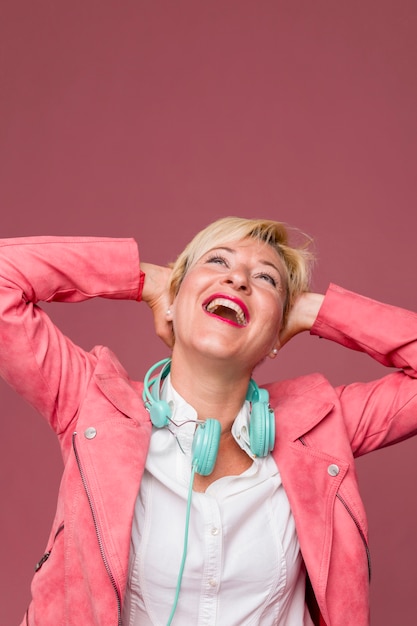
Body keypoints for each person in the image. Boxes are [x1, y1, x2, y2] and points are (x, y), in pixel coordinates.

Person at [1, 216, 416, 626]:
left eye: (267, 279)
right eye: (217, 262)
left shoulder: (322, 427)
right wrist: (142, 280)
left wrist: (320, 310)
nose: (238, 280)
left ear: (279, 333)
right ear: (175, 297)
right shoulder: (90, 401)